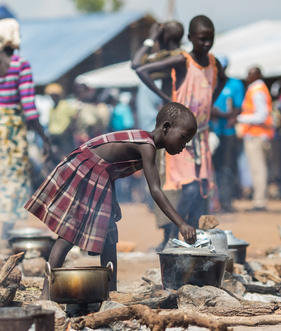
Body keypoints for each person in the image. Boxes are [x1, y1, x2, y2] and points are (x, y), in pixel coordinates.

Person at [25, 102, 198, 299]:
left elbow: (110, 166)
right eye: (183, 138)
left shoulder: (146, 143)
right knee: (69, 234)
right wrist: (181, 224)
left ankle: (111, 294)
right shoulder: (147, 145)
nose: (184, 146)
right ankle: (45, 295)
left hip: (98, 172)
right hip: (87, 168)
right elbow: (155, 190)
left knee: (109, 235)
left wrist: (111, 199)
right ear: (166, 127)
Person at [135, 15, 226, 242]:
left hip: (201, 135)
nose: (206, 44)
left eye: (210, 39)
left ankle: (191, 239)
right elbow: (140, 69)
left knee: (201, 190)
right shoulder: (182, 60)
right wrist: (166, 98)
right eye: (202, 39)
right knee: (187, 188)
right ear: (190, 38)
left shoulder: (214, 63)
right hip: (180, 137)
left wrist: (210, 101)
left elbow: (222, 80)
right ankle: (174, 234)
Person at [0, 18, 50, 240]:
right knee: (12, 181)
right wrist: (44, 138)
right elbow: (29, 108)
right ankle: (5, 239)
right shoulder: (21, 64)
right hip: (11, 129)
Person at [132, 20, 185, 246]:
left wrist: (149, 38)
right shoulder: (184, 56)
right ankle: (172, 236)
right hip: (183, 127)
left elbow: (136, 64)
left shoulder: (171, 57)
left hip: (172, 129)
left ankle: (169, 239)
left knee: (167, 180)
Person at [236, 67, 275, 211]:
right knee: (259, 169)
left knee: (258, 169)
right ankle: (259, 200)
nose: (247, 77)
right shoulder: (257, 89)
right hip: (257, 135)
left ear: (257, 75)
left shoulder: (257, 90)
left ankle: (259, 202)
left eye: (250, 74)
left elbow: (262, 115)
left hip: (257, 135)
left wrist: (239, 118)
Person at [210, 55, 245, 212]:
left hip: (228, 133)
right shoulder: (209, 83)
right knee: (212, 167)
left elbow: (237, 108)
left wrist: (223, 115)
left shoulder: (235, 84)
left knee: (227, 167)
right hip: (211, 132)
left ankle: (226, 201)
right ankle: (213, 201)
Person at [44, 83, 77, 165]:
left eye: (54, 95)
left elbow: (74, 116)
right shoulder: (52, 108)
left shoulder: (65, 105)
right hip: (54, 135)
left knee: (66, 155)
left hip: (64, 134)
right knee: (55, 156)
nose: (53, 98)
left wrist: (70, 127)